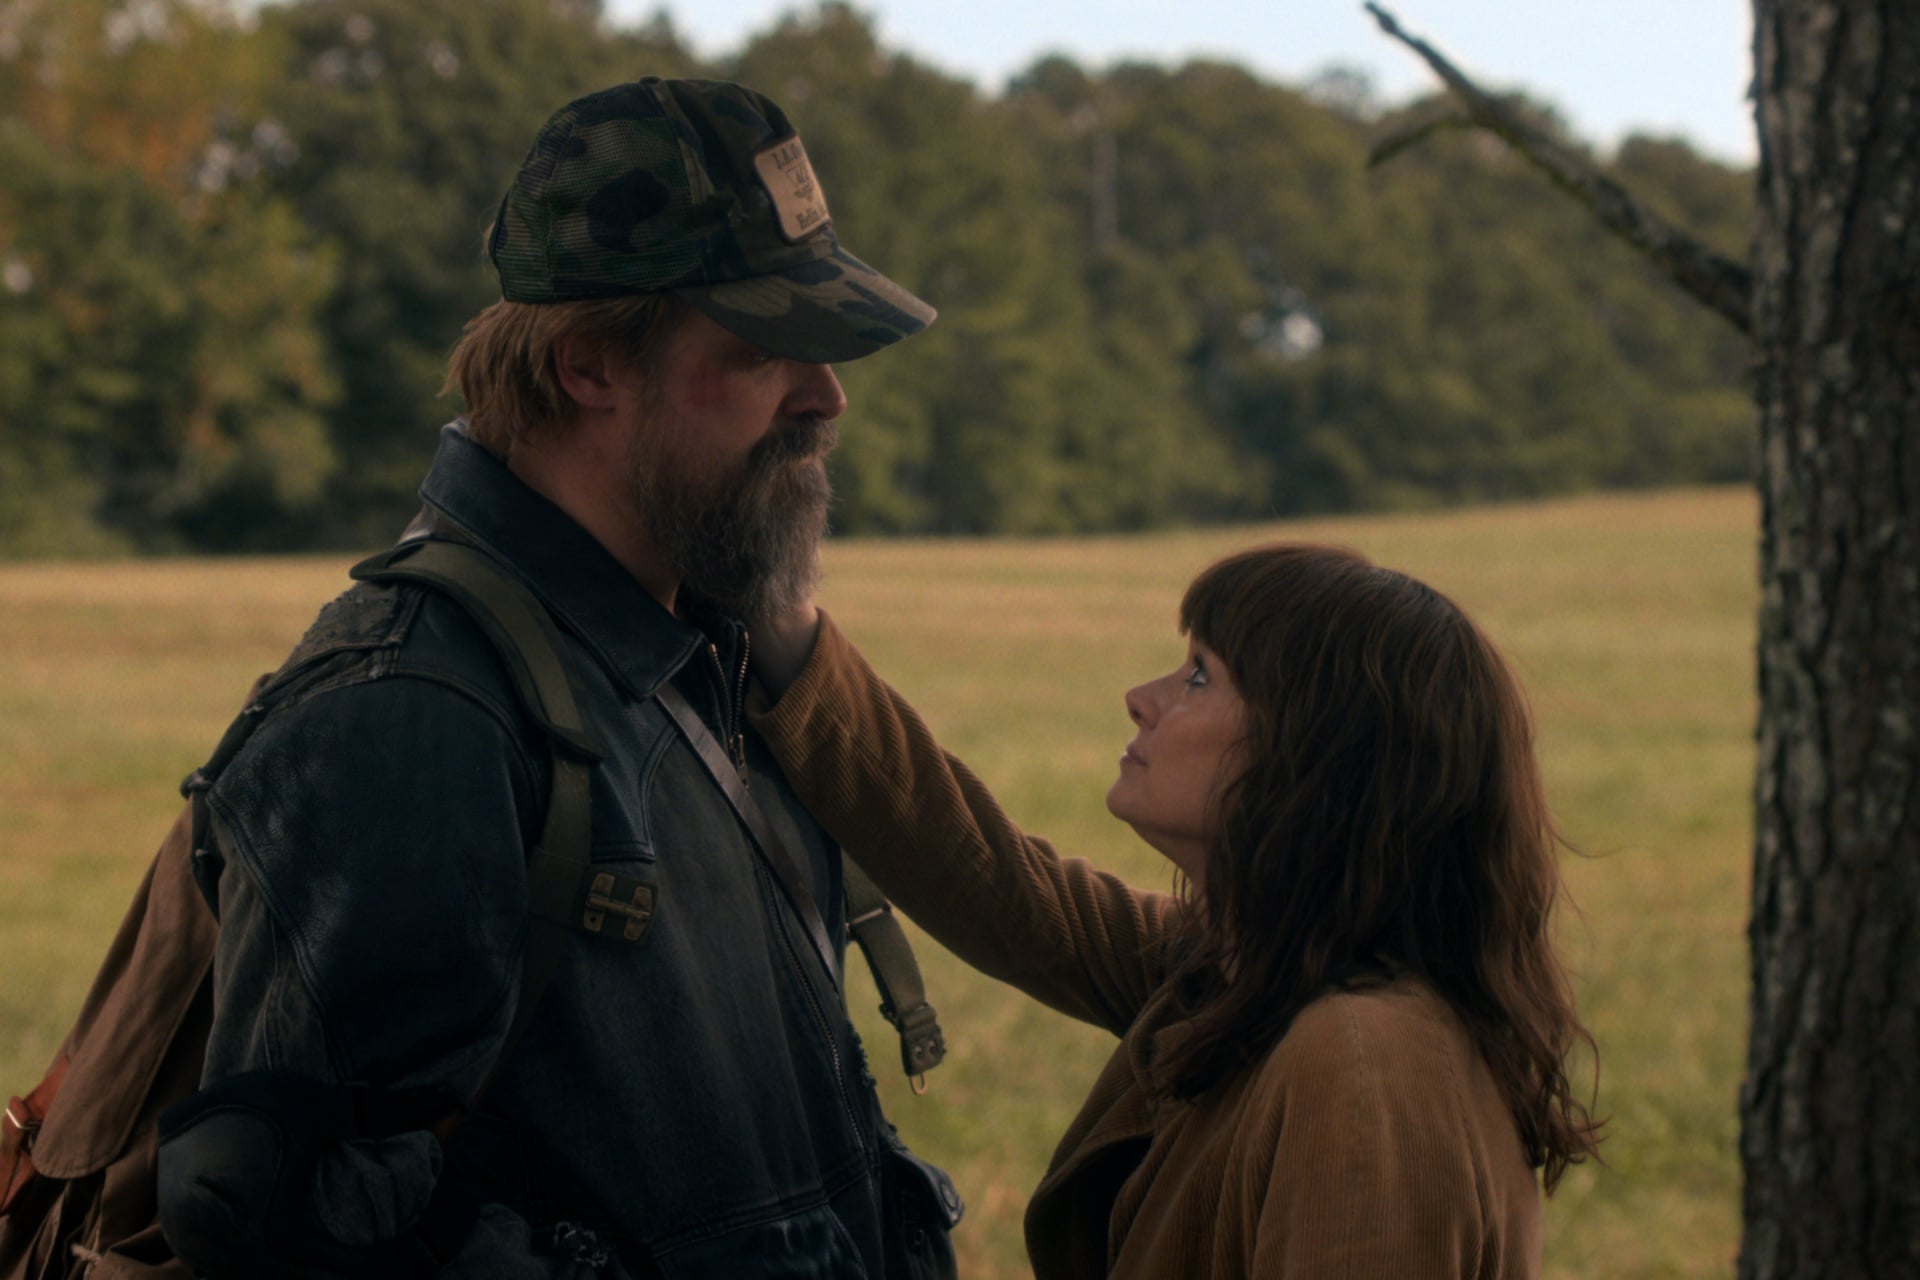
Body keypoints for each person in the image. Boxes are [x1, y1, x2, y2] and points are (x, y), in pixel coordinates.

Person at [152, 77, 961, 1277]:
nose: (826, 397)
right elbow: (311, 1234)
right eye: (763, 350)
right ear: (590, 368)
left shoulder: (696, 641)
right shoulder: (409, 717)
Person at [746, 543, 1603, 1278]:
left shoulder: (1363, 1063)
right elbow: (1001, 886)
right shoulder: (1254, 969)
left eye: (1200, 675)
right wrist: (778, 624)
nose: (1142, 696)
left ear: (1313, 758)